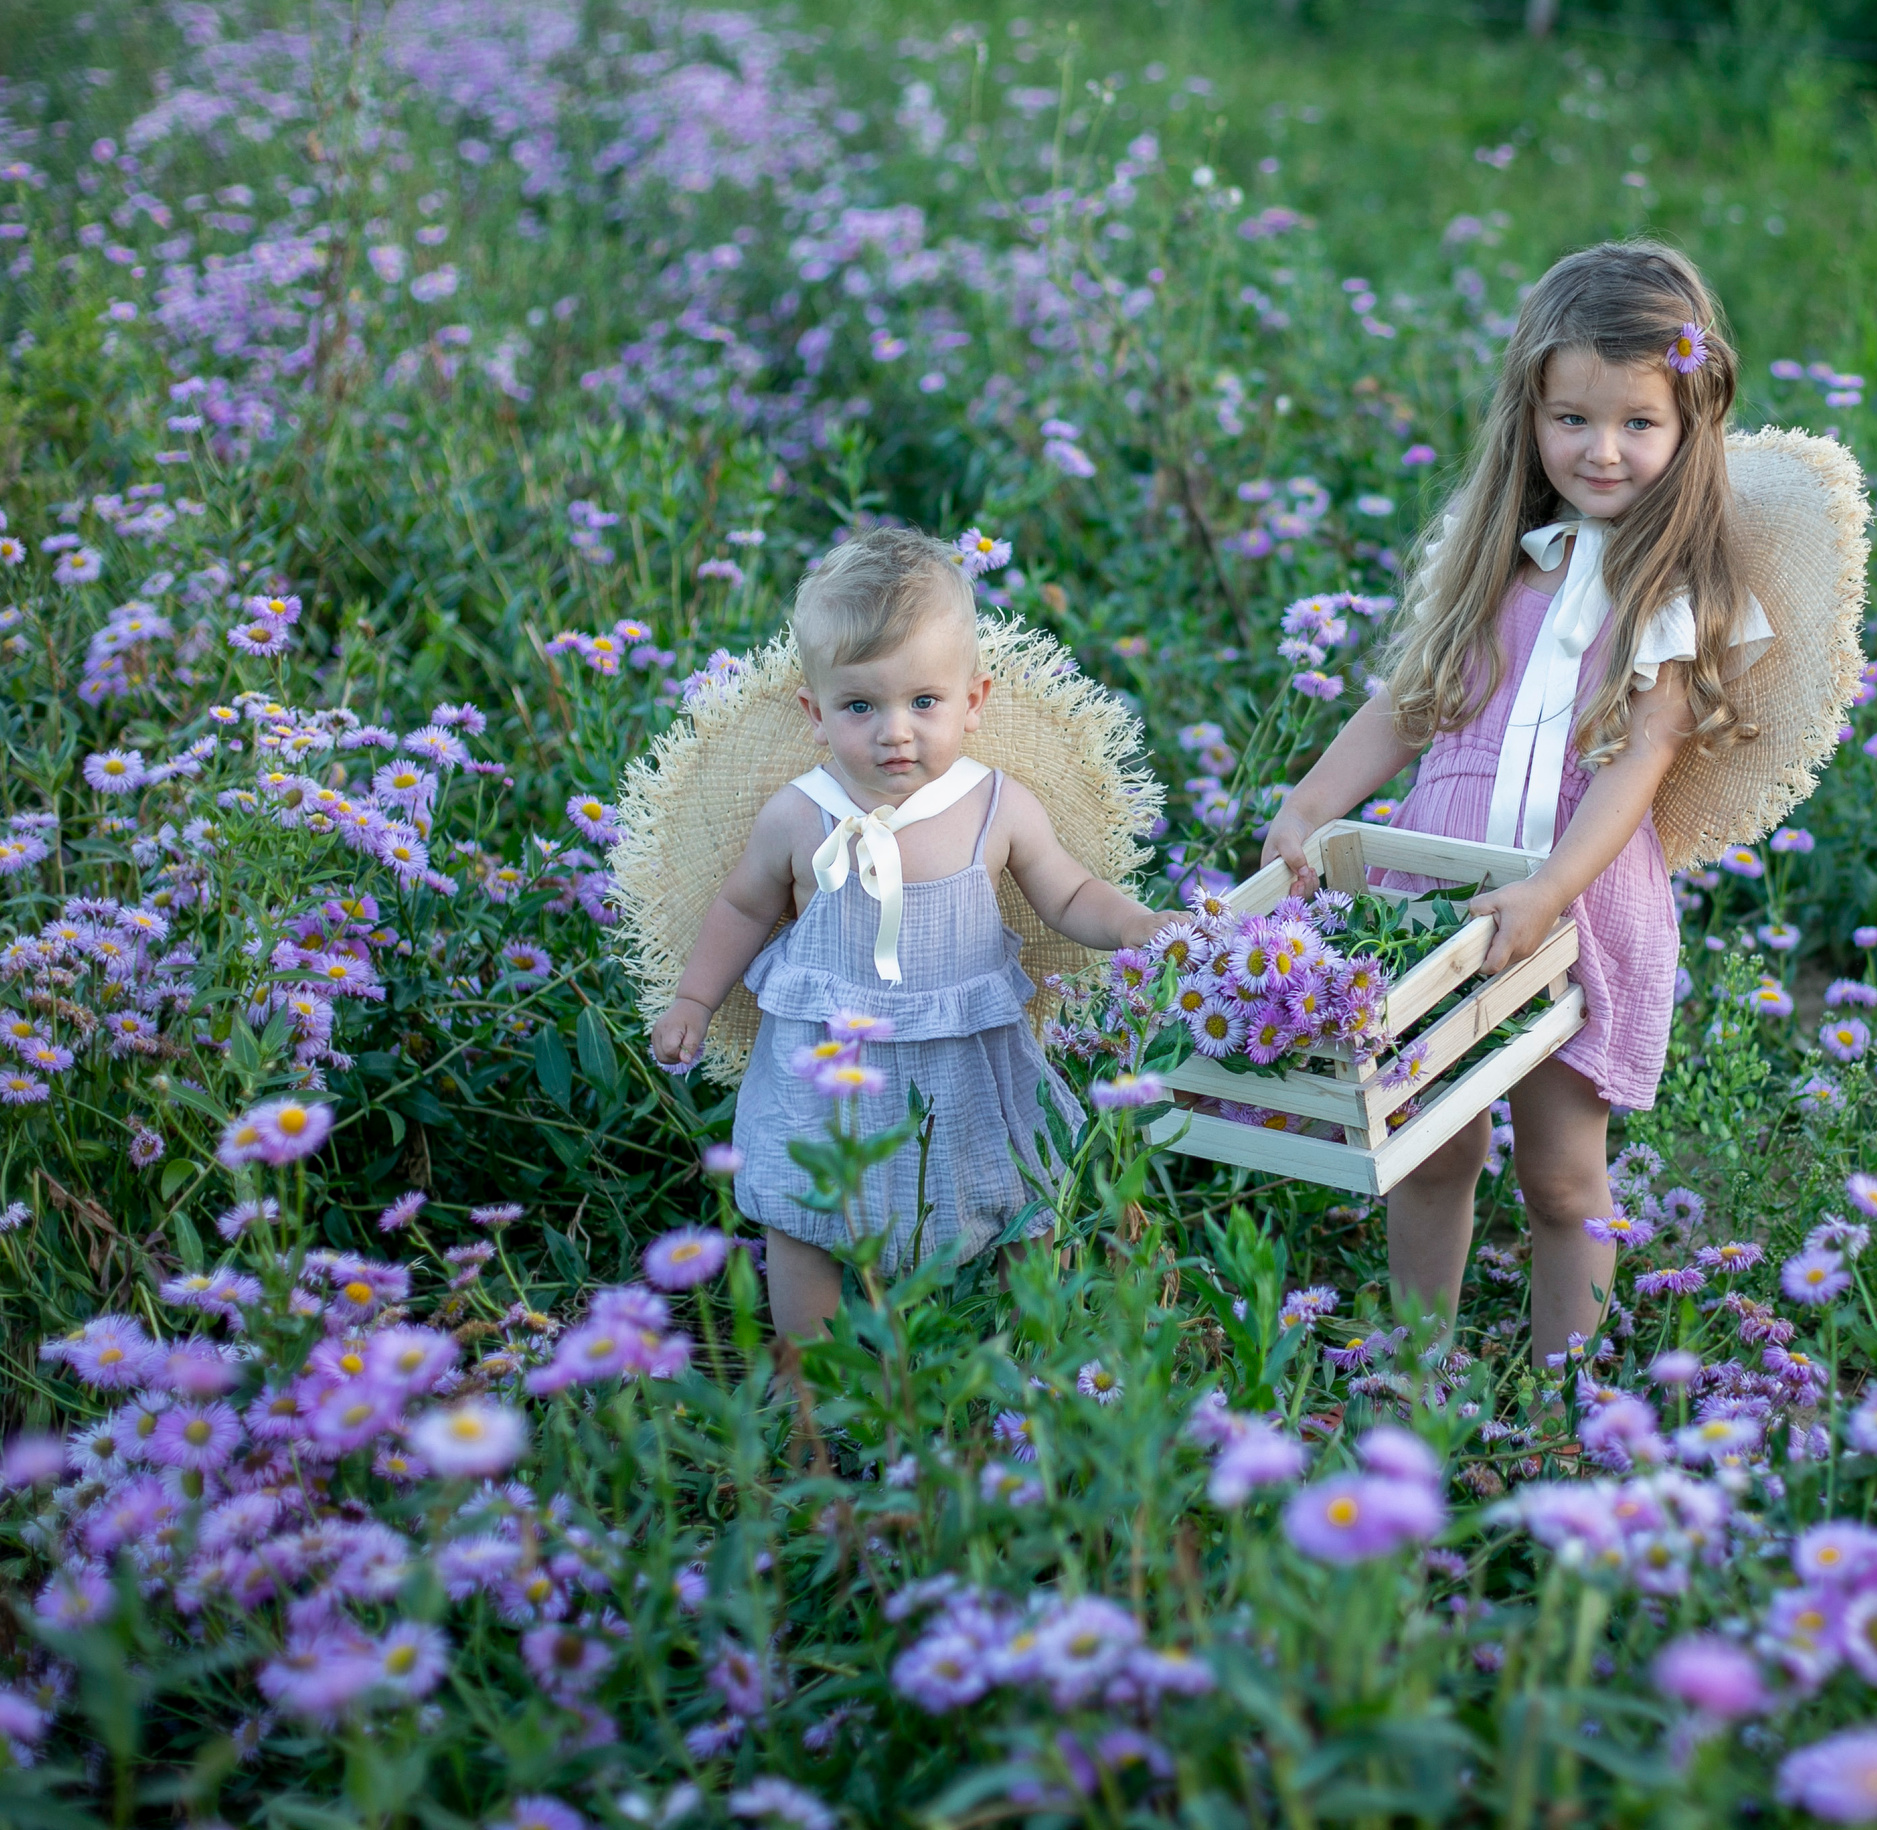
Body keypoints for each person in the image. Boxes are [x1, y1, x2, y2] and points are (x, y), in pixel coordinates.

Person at [1262, 240, 1770, 1364]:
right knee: (1430, 1146)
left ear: (1688, 427)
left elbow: (1639, 763)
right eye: (1571, 419)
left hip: (1572, 902)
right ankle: (1412, 1367)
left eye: (1638, 423)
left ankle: (1562, 1396)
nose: (1601, 451)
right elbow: (1410, 707)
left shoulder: (1672, 590)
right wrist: (1308, 807)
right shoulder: (1497, 558)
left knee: (1561, 1172)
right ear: (1528, 414)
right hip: (1440, 896)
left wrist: (1546, 890)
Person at [650, 527, 1173, 1336]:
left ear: (974, 701)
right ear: (815, 712)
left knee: (1016, 1189)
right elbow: (745, 909)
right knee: (803, 1210)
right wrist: (694, 995)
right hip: (827, 1063)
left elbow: (1069, 895)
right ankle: (806, 1373)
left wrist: (1138, 924)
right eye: (861, 706)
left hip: (963, 1053)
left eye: (923, 702)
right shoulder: (801, 813)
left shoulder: (997, 805)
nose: (895, 731)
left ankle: (1036, 1348)